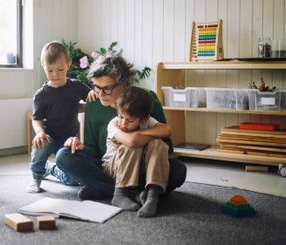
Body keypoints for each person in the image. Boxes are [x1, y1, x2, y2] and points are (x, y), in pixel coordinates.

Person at [55, 53, 187, 213]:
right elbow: (93, 152)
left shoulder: (146, 99)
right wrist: (79, 145)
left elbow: (167, 146)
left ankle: (102, 190)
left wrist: (136, 139)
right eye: (96, 87)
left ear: (124, 84)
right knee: (64, 156)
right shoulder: (93, 104)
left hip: (144, 168)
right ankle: (135, 194)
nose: (100, 93)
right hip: (111, 167)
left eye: (107, 88)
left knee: (179, 170)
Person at [27, 41, 96, 193]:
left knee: (72, 181)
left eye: (60, 69)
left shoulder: (76, 86)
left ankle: (50, 169)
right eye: (50, 70)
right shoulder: (41, 95)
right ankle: (36, 177)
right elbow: (36, 119)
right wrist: (39, 132)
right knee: (40, 146)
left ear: (68, 65)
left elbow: (90, 95)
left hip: (69, 140)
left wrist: (92, 92)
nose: (55, 74)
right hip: (49, 136)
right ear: (44, 68)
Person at [103, 86, 172, 217]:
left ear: (144, 119)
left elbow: (167, 130)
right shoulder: (113, 124)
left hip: (138, 170)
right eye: (120, 116)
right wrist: (141, 136)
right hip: (112, 170)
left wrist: (139, 133)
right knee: (132, 145)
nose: (123, 123)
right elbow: (132, 142)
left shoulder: (148, 122)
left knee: (158, 144)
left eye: (129, 120)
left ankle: (152, 195)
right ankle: (119, 193)